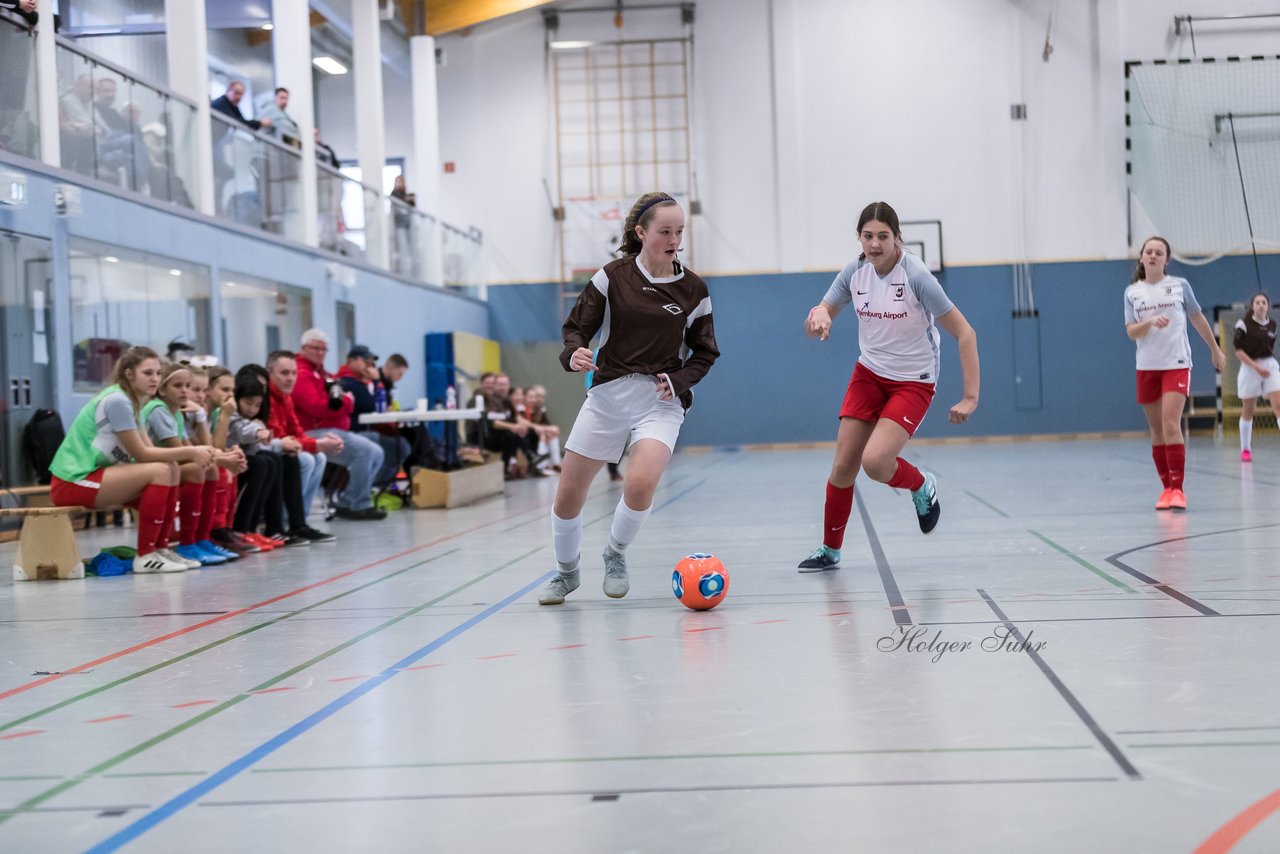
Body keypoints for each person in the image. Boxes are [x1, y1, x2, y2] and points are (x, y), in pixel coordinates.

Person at [538, 191, 719, 606]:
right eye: (665, 232)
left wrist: (678, 380)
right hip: (608, 395)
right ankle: (566, 574)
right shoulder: (612, 276)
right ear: (641, 233)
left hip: (660, 400)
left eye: (679, 232)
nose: (674, 240)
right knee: (568, 495)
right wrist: (573, 353)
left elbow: (706, 352)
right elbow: (575, 328)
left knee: (640, 484)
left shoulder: (694, 290)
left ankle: (615, 554)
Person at [798, 201, 980, 572]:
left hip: (913, 381)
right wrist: (817, 319)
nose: (875, 244)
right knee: (843, 466)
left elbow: (965, 333)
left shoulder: (916, 277)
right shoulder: (854, 272)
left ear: (897, 238)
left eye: (883, 236)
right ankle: (830, 551)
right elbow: (819, 316)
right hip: (869, 375)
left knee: (876, 463)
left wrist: (970, 397)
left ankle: (921, 485)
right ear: (860, 238)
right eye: (868, 236)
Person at [48, 347, 216, 574]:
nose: (155, 379)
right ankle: (146, 555)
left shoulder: (131, 402)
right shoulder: (117, 400)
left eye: (158, 373)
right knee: (161, 470)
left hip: (97, 476)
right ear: (129, 374)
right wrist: (193, 452)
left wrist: (193, 453)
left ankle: (160, 549)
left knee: (170, 468)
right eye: (148, 373)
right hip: (73, 480)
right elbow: (144, 454)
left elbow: (146, 450)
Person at [1124, 236, 1226, 510]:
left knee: (1171, 424)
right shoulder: (1132, 292)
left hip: (1176, 363)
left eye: (1159, 252)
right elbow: (1131, 330)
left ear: (1166, 259)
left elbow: (1197, 317)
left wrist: (1215, 350)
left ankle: (1178, 490)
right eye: (1150, 252)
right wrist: (1148, 323)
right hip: (1146, 366)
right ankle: (1166, 488)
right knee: (1156, 429)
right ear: (1142, 258)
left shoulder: (1180, 286)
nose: (1154, 256)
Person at [138, 362, 234, 566]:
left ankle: (202, 539)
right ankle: (187, 543)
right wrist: (222, 457)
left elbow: (198, 449)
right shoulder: (158, 410)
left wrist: (216, 456)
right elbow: (183, 454)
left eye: (187, 386)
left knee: (209, 469)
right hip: (150, 471)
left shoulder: (174, 413)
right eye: (178, 386)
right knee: (197, 470)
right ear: (162, 389)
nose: (185, 391)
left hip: (167, 469)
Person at [292, 329, 386, 519]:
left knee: (377, 451)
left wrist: (341, 402)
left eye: (324, 350)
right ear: (303, 348)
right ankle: (357, 504)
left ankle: (349, 500)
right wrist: (347, 402)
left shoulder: (321, 373)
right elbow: (316, 407)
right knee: (365, 450)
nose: (320, 353)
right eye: (316, 348)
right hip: (314, 431)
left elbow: (335, 402)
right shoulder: (302, 374)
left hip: (334, 429)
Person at [265, 350, 336, 541]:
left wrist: (317, 445)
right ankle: (286, 519)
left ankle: (300, 521)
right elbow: (278, 436)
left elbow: (297, 432)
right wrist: (317, 443)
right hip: (271, 448)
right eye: (284, 373)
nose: (290, 378)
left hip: (286, 446)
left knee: (319, 457)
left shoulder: (286, 397)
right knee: (304, 459)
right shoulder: (267, 398)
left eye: (294, 373)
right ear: (270, 373)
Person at [1233, 293, 1279, 463]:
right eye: (1257, 302)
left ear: (1268, 306)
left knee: (1279, 405)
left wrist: (1264, 367)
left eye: (1264, 302)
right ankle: (1245, 449)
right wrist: (1256, 367)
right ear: (1252, 306)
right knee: (1248, 411)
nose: (1261, 305)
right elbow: (1238, 351)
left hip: (1269, 365)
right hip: (1250, 366)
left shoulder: (1273, 325)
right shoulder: (1243, 325)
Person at [526, 385, 562, 473]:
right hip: (530, 435)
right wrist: (546, 429)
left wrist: (548, 429)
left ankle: (556, 463)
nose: (539, 399)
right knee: (546, 434)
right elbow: (530, 424)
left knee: (551, 434)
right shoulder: (526, 408)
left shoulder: (541, 408)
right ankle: (540, 465)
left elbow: (546, 423)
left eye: (542, 396)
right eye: (538, 396)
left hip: (538, 434)